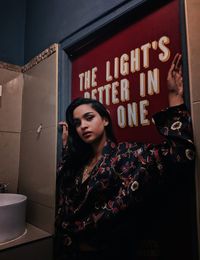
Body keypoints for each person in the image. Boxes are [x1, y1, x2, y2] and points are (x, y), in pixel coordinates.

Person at [54, 53, 195, 260]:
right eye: (77, 123)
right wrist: (66, 146)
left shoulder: (129, 156)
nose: (82, 125)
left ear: (105, 120)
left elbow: (180, 156)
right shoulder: (79, 163)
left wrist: (174, 96)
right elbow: (63, 186)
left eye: (89, 117)